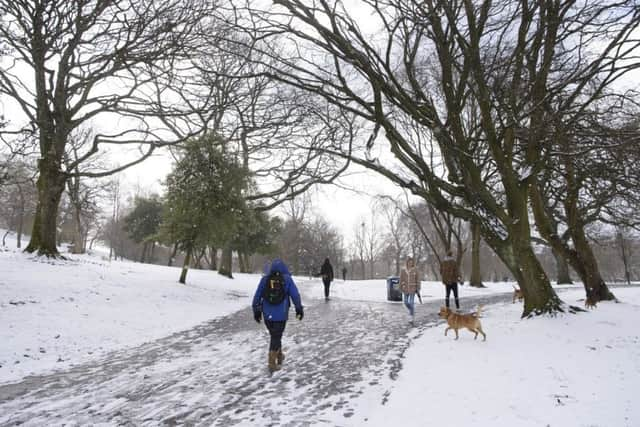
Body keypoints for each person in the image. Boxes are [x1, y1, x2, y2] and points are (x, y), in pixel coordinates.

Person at [252, 259, 304, 372]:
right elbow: (295, 295)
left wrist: (256, 310)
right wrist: (299, 308)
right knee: (276, 336)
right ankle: (272, 362)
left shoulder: (265, 279)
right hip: (281, 314)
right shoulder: (287, 279)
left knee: (275, 335)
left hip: (267, 315)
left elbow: (257, 295)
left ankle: (279, 355)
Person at [400, 257, 421, 324]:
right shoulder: (403, 270)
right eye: (409, 262)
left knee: (411, 303)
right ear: (407, 262)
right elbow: (401, 279)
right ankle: (412, 310)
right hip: (405, 289)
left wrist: (418, 287)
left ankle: (411, 317)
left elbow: (418, 279)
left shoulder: (415, 270)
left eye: (412, 262)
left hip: (413, 289)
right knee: (406, 302)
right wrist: (400, 287)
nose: (410, 263)